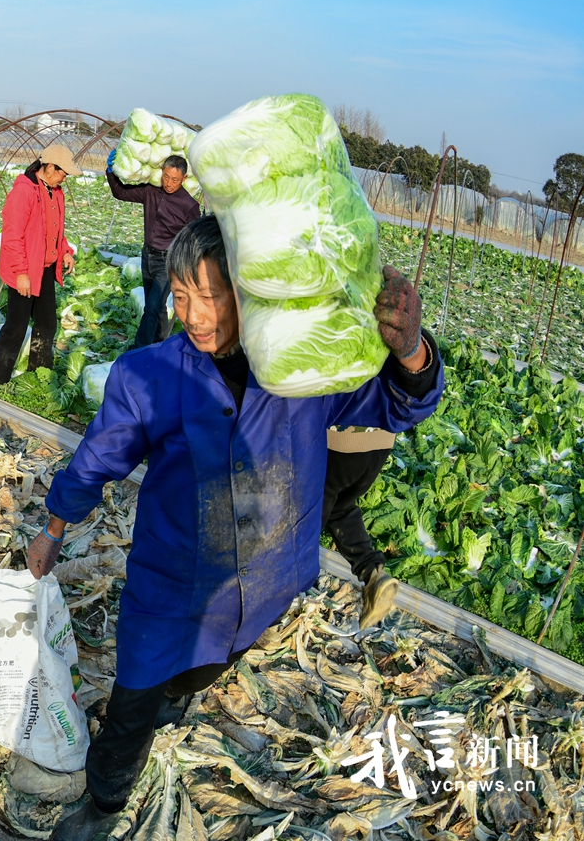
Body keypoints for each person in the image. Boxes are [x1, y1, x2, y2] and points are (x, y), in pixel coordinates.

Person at [27, 216, 444, 841]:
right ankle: (104, 802)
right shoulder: (146, 376)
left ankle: (181, 693)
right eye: (180, 293)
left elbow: (395, 403)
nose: (194, 314)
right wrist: (53, 529)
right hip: (170, 584)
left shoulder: (297, 372)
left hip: (270, 578)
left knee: (207, 666)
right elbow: (97, 460)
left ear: (248, 292)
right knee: (134, 698)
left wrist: (411, 349)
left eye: (212, 294)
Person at [0, 157, 76, 383]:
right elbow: (12, 236)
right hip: (24, 268)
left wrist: (64, 251)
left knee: (47, 324)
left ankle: (39, 374)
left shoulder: (55, 192)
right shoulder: (24, 191)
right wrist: (21, 273)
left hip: (45, 267)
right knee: (17, 325)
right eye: (63, 173)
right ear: (51, 167)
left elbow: (54, 230)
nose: (65, 179)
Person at [106, 155, 201, 349]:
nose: (168, 183)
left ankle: (138, 351)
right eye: (166, 177)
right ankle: (160, 346)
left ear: (184, 179)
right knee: (157, 308)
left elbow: (194, 241)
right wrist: (110, 172)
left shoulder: (189, 205)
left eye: (174, 179)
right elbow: (120, 193)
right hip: (147, 257)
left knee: (151, 308)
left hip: (167, 263)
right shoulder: (151, 192)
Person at [323, 427, 400, 628]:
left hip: (338, 441)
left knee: (300, 524)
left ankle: (266, 620)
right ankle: (373, 575)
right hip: (380, 443)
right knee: (339, 507)